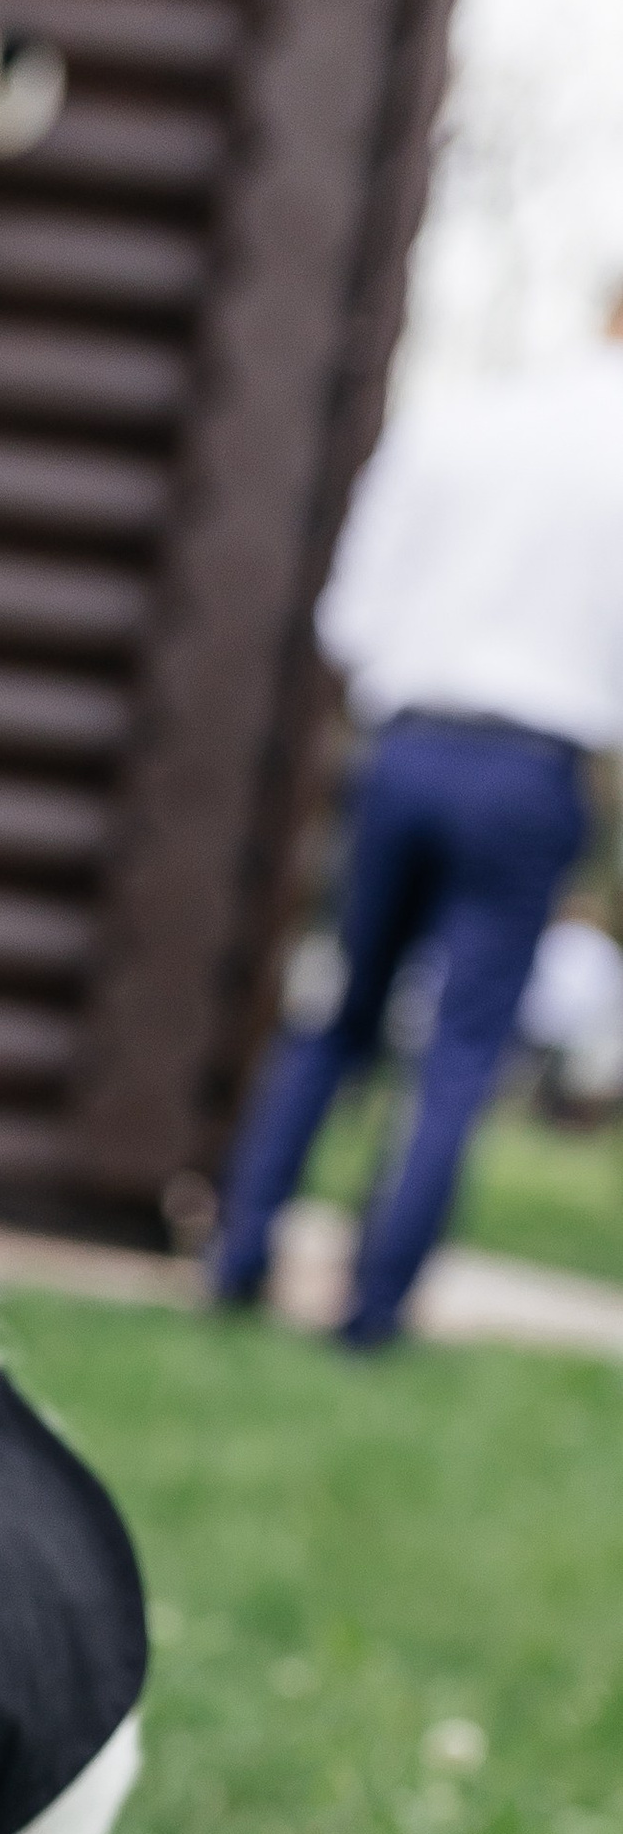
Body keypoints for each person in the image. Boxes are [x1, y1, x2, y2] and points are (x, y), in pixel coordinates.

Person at [211, 297, 623, 1345]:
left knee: (340, 1010)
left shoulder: (463, 419)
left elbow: (350, 615)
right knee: (463, 1046)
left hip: (405, 746)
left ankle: (238, 1257)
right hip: (533, 767)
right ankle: (373, 1310)